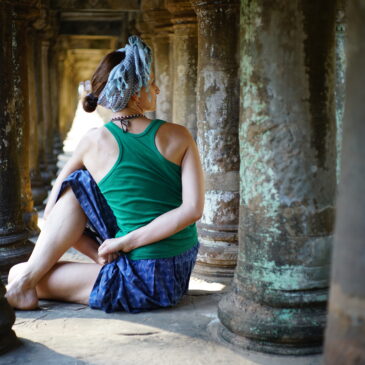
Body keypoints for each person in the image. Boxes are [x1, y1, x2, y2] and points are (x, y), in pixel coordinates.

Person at [6, 35, 204, 313]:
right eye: (152, 83)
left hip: (142, 280)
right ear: (134, 93)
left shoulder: (92, 142)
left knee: (19, 272)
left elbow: (51, 214)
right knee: (81, 187)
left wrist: (122, 242)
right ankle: (51, 276)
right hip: (177, 272)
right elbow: (193, 210)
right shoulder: (179, 135)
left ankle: (23, 284)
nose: (157, 90)